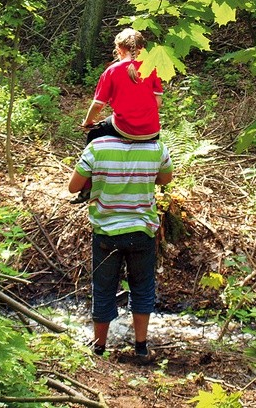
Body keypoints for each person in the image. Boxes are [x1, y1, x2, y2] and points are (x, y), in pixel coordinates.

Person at [68, 134, 173, 364]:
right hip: (141, 231)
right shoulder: (156, 147)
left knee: (103, 287)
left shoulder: (97, 147)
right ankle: (141, 348)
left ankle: (99, 348)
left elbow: (73, 187)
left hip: (106, 232)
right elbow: (165, 179)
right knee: (142, 287)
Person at [71, 28, 163, 204]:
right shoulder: (151, 69)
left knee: (94, 134)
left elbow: (98, 104)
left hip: (124, 128)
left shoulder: (112, 71)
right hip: (151, 130)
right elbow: (158, 102)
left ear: (119, 49)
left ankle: (87, 187)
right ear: (142, 48)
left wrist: (88, 122)